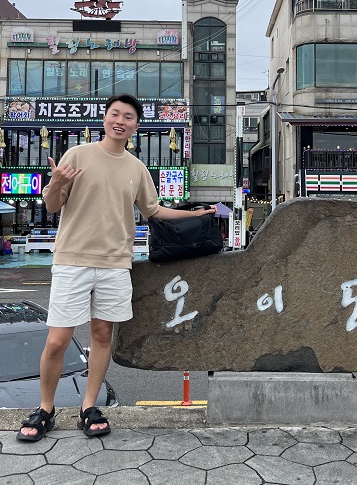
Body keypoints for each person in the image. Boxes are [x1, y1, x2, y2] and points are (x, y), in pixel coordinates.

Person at [17, 94, 214, 442]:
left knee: (102, 335)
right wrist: (58, 182)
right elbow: (50, 206)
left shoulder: (136, 168)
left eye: (128, 117)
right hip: (72, 260)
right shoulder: (77, 155)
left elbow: (154, 211)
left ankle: (88, 406)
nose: (120, 120)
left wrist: (194, 214)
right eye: (114, 114)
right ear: (105, 118)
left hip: (114, 264)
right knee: (57, 341)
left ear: (136, 126)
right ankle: (45, 408)